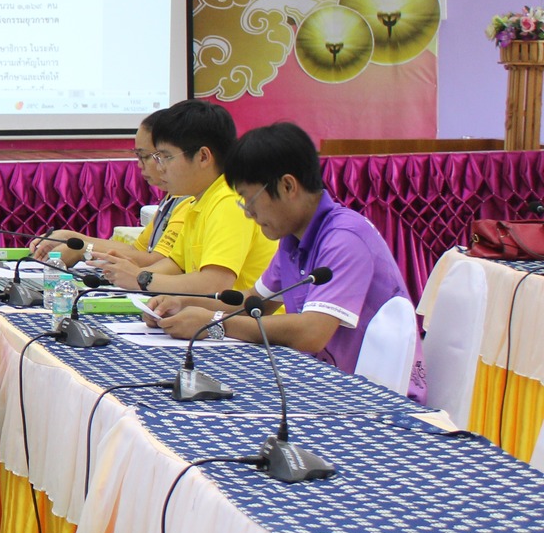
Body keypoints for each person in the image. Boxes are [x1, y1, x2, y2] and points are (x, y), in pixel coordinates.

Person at [149, 122, 415, 384]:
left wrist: (215, 323)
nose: (248, 214)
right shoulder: (292, 238)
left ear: (287, 186)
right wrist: (183, 303)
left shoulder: (345, 238)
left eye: (249, 200)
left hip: (365, 391)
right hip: (317, 377)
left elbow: (312, 332)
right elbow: (255, 303)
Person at [87, 99, 275, 299]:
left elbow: (215, 283)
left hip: (249, 317)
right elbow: (175, 265)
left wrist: (140, 278)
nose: (160, 168)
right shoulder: (197, 201)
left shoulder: (229, 201)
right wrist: (127, 272)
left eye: (166, 157)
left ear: (203, 157)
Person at [44, 111, 192, 268]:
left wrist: (85, 250)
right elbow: (137, 251)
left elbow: (158, 261)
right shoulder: (173, 196)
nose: (139, 165)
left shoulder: (188, 199)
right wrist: (70, 237)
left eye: (146, 156)